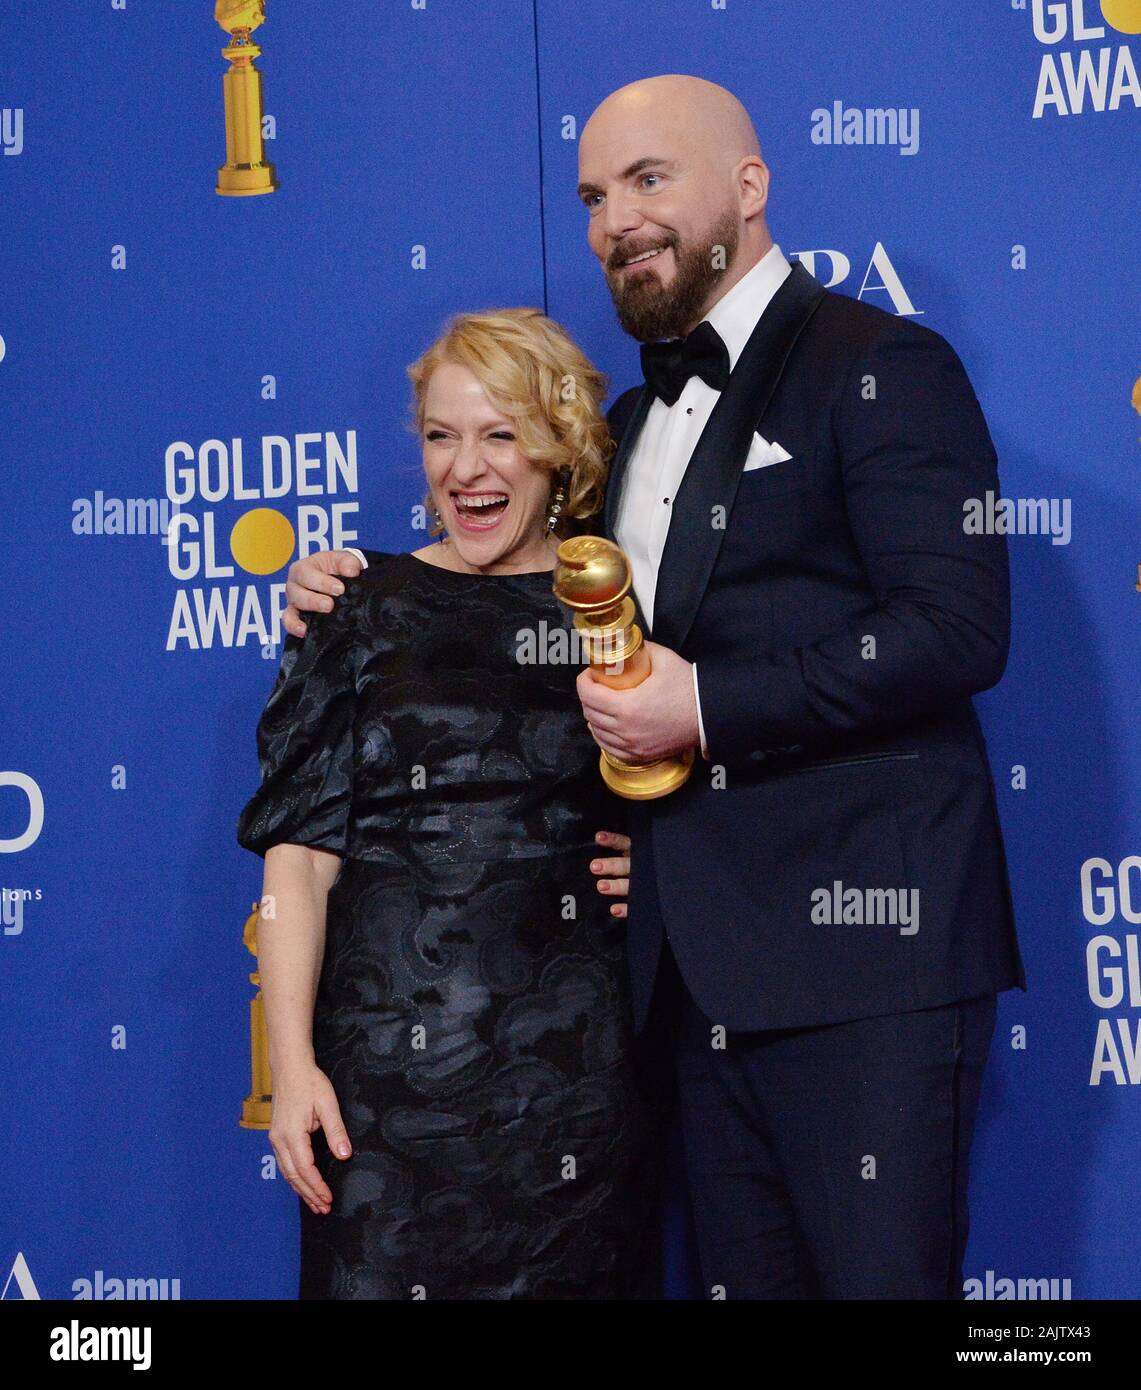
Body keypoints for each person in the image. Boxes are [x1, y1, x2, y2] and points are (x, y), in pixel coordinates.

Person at [285, 74, 1025, 1300]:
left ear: (749, 186)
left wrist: (708, 708)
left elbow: (956, 628)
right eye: (591, 196)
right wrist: (344, 585)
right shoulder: (626, 424)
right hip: (685, 992)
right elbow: (506, 583)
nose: (614, 219)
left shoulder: (881, 363)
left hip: (867, 969)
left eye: (647, 180)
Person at [237, 307, 656, 1300]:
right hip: (379, 1096)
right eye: (440, 434)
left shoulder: (613, 609)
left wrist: (671, 866)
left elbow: (688, 780)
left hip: (571, 1090)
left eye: (500, 433)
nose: (466, 466)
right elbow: (298, 854)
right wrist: (290, 1066)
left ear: (558, 447)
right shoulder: (352, 604)